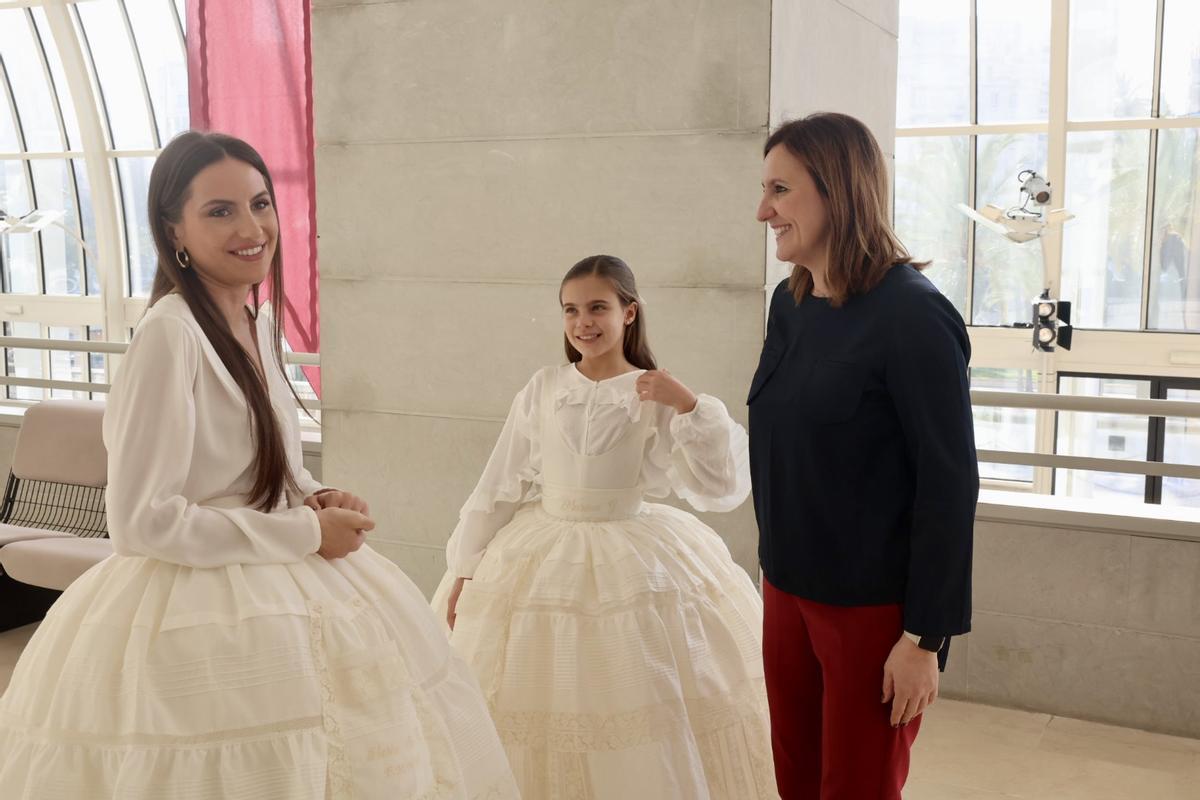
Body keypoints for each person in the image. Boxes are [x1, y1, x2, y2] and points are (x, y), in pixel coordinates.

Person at [0, 131, 518, 800]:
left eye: (261, 203)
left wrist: (317, 495)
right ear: (173, 229)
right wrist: (305, 534)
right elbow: (139, 523)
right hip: (196, 605)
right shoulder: (169, 336)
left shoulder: (254, 322)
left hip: (282, 579)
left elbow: (258, 464)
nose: (252, 227)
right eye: (220, 211)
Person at [434, 254, 778, 799]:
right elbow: (499, 482)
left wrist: (688, 405)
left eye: (598, 307)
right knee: (536, 694)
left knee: (629, 695)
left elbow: (719, 486)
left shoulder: (653, 390)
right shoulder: (545, 386)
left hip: (632, 549)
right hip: (542, 548)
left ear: (629, 313)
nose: (583, 322)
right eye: (571, 310)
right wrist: (464, 568)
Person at [748, 113, 978, 799]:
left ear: (837, 191)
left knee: (856, 788)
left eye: (781, 190)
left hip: (871, 616)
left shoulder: (914, 317)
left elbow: (949, 484)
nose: (764, 211)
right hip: (785, 589)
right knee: (795, 781)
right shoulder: (788, 306)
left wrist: (925, 639)